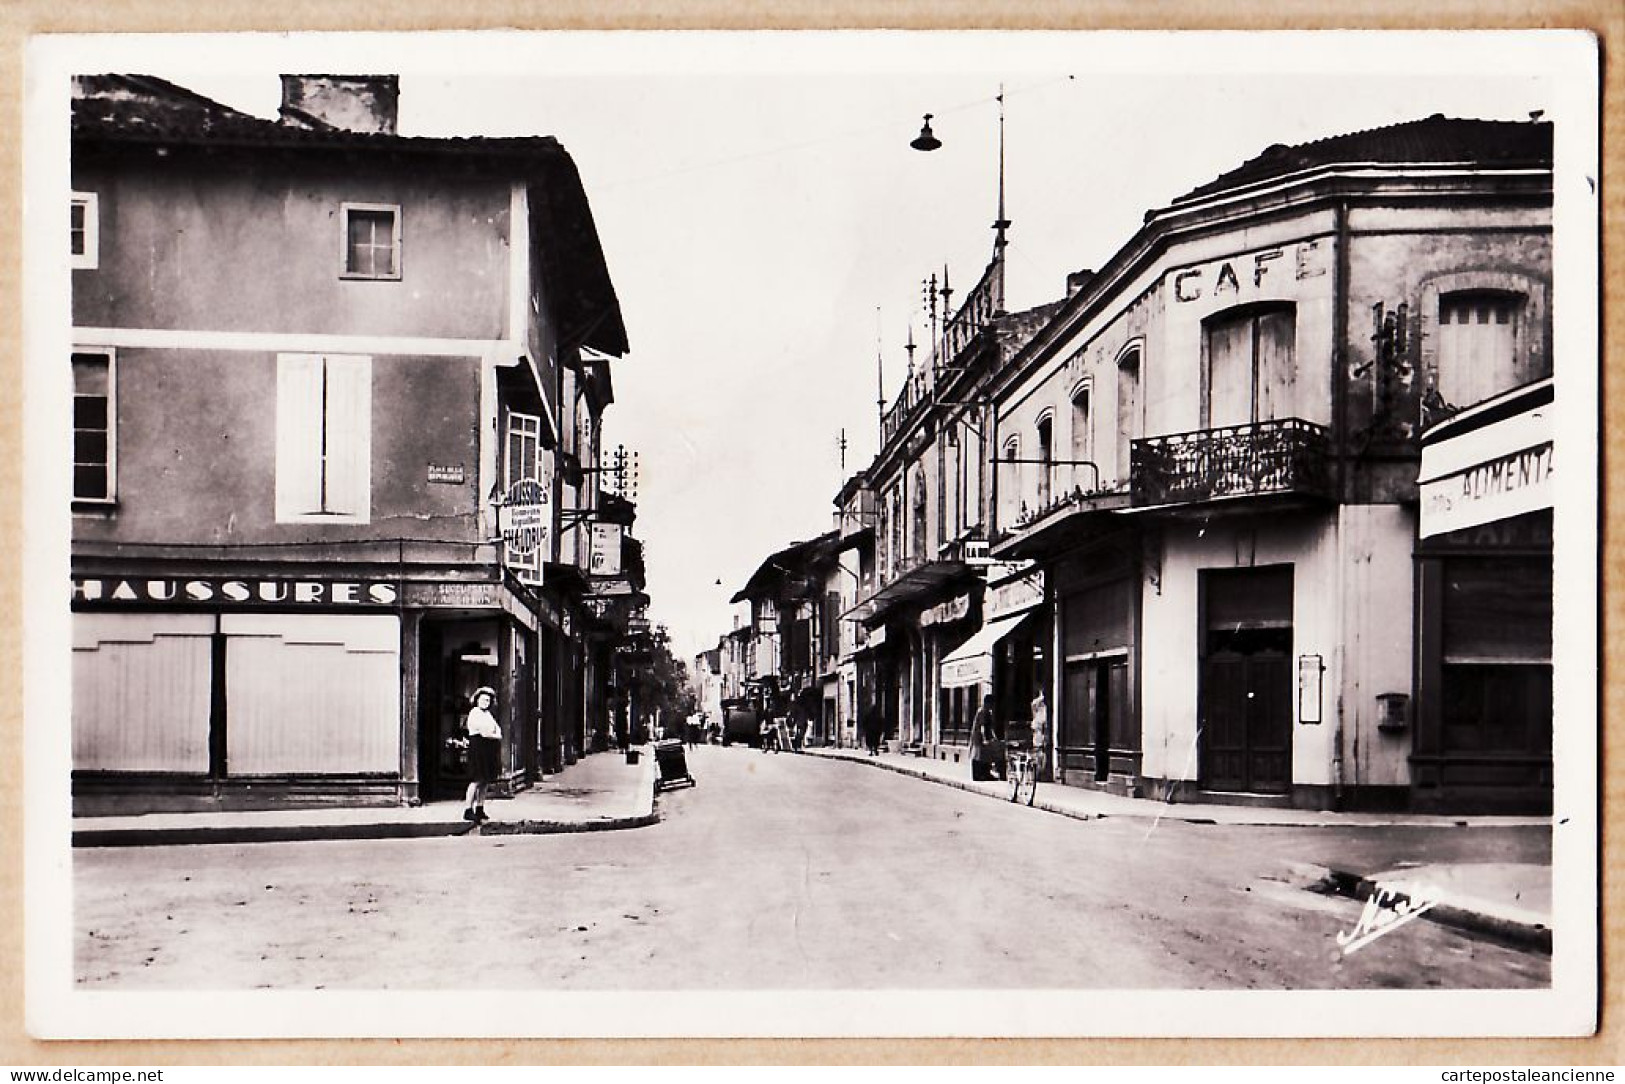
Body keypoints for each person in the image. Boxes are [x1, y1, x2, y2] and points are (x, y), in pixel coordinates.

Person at [462, 686, 502, 825]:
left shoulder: (488, 714)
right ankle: (468, 809)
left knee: (485, 781)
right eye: (483, 699)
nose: (486, 702)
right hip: (478, 748)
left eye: (488, 700)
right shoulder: (475, 713)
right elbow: (486, 733)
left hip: (488, 749)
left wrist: (494, 734)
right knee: (476, 779)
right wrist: (494, 735)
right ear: (477, 700)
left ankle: (480, 807)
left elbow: (498, 730)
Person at [969, 693, 1002, 782]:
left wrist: (994, 737)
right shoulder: (982, 711)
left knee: (986, 755)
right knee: (978, 756)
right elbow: (982, 726)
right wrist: (984, 739)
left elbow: (990, 727)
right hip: (978, 736)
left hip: (985, 736)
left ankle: (985, 774)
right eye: (991, 704)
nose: (992, 706)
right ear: (986, 703)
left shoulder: (988, 713)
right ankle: (978, 775)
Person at [1030, 690, 1051, 783]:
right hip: (1039, 731)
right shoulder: (1037, 706)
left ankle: (1040, 773)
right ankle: (1037, 773)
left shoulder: (1043, 707)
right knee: (1038, 752)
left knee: (1042, 753)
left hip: (1042, 731)